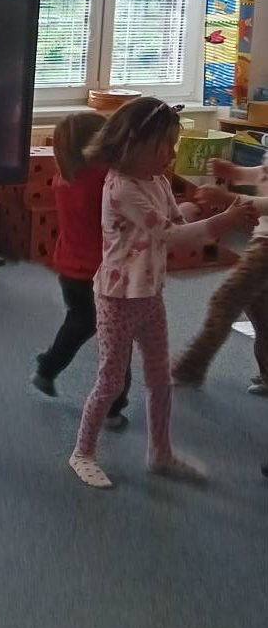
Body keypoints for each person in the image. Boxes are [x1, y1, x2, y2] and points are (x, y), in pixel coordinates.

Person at [68, 97, 254, 490]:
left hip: (149, 294)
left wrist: (193, 209)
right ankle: (82, 452)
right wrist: (225, 220)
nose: (172, 155)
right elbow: (170, 236)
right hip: (118, 298)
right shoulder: (121, 189)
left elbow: (173, 220)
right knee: (111, 381)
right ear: (134, 145)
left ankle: (160, 453)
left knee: (159, 378)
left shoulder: (157, 181)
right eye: (165, 146)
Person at [32, 111, 130, 428]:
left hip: (71, 271)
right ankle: (113, 408)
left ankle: (48, 367)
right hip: (103, 273)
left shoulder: (65, 178)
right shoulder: (105, 181)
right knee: (119, 340)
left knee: (79, 322)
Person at [172, 155, 268, 395]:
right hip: (262, 242)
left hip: (265, 248)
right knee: (260, 311)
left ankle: (191, 366)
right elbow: (264, 173)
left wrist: (228, 198)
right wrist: (235, 172)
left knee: (226, 300)